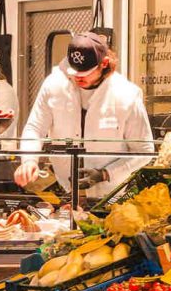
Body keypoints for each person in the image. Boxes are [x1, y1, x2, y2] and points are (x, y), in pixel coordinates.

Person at [13, 32, 154, 200]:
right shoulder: (54, 84)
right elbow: (35, 128)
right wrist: (29, 160)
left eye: (85, 73)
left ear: (104, 64)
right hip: (63, 190)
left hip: (110, 196)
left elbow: (144, 151)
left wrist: (105, 174)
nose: (78, 77)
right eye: (74, 72)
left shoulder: (126, 94)